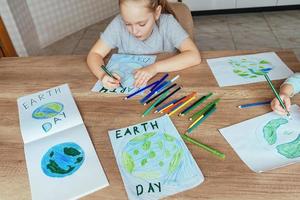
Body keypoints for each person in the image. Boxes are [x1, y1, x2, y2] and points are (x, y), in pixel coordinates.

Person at [87, 0, 201, 89]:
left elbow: (194, 56)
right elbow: (94, 54)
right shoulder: (118, 24)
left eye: (141, 24)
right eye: (127, 24)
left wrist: (154, 68)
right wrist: (102, 75)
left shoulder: (167, 23)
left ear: (157, 13)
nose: (134, 31)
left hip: (164, 86)